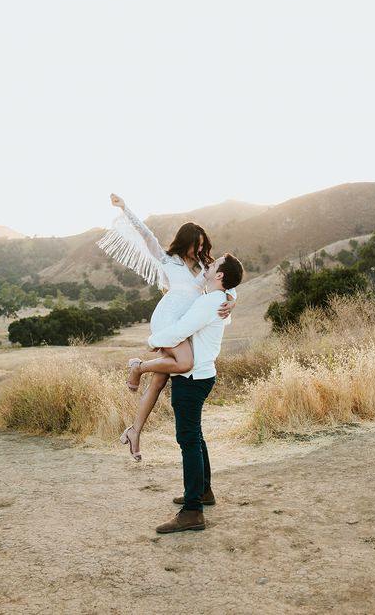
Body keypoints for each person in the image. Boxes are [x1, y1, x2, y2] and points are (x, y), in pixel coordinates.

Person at [96, 194, 237, 460]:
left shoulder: (207, 266)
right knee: (183, 362)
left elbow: (229, 280)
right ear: (185, 243)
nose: (199, 250)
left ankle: (135, 431)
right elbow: (145, 233)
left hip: (186, 324)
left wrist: (232, 300)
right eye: (195, 245)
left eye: (203, 245)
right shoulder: (167, 260)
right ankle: (138, 368)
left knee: (160, 380)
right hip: (168, 318)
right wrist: (125, 208)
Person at [148, 253, 244, 533]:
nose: (207, 266)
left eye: (213, 266)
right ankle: (203, 492)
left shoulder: (210, 303)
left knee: (188, 440)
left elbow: (179, 331)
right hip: (201, 374)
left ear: (220, 276)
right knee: (196, 437)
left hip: (192, 377)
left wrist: (152, 340)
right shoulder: (220, 300)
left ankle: (192, 511)